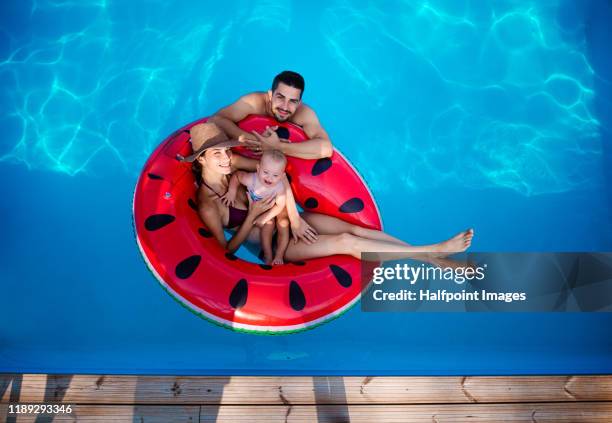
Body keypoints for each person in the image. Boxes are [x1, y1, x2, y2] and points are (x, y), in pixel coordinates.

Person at [186, 122, 475, 264]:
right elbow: (225, 252)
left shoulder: (236, 168)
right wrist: (251, 216)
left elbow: (279, 175)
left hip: (290, 220)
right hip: (275, 246)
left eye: (225, 151)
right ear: (200, 159)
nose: (226, 158)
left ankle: (433, 258)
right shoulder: (208, 205)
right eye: (216, 154)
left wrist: (294, 218)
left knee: (354, 228)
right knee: (346, 241)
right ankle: (432, 251)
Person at [208, 70, 333, 160]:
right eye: (280, 97)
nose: (285, 106)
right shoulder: (253, 103)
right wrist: (255, 140)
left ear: (299, 103)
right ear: (270, 95)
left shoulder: (305, 113)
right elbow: (215, 120)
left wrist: (277, 147)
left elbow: (326, 148)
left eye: (292, 101)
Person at [221, 149, 290, 265]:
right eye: (266, 172)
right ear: (258, 169)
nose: (269, 178)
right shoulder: (251, 179)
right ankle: (268, 253)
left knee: (276, 225)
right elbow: (237, 176)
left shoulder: (279, 188)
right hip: (253, 207)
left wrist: (265, 217)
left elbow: (279, 206)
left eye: (275, 175)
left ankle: (276, 255)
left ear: (282, 176)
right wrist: (231, 192)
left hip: (269, 211)